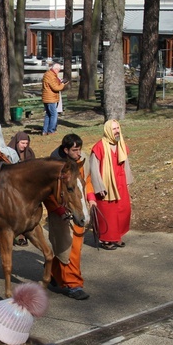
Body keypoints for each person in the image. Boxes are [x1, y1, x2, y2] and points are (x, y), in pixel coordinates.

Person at [47, 134, 96, 300]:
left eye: (79, 149)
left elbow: (86, 181)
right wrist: (60, 211)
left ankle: (53, 272)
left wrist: (91, 199)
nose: (78, 153)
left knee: (74, 248)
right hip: (61, 213)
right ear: (66, 149)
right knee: (69, 248)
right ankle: (74, 285)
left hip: (79, 209)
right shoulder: (54, 166)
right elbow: (49, 193)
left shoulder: (82, 161)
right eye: (75, 150)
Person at [89, 119, 133, 250]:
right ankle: (107, 239)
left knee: (123, 210)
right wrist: (99, 186)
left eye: (118, 128)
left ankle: (118, 236)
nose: (117, 131)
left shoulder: (121, 145)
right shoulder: (99, 147)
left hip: (120, 183)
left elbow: (126, 164)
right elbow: (94, 169)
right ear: (108, 130)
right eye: (114, 129)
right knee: (108, 213)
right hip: (106, 185)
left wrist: (127, 181)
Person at [41, 62, 67, 136]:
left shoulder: (48, 74)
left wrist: (60, 82)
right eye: (58, 70)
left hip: (47, 97)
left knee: (48, 114)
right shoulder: (51, 76)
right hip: (50, 98)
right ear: (55, 69)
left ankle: (45, 131)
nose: (58, 72)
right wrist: (62, 84)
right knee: (54, 114)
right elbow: (56, 88)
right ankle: (51, 130)